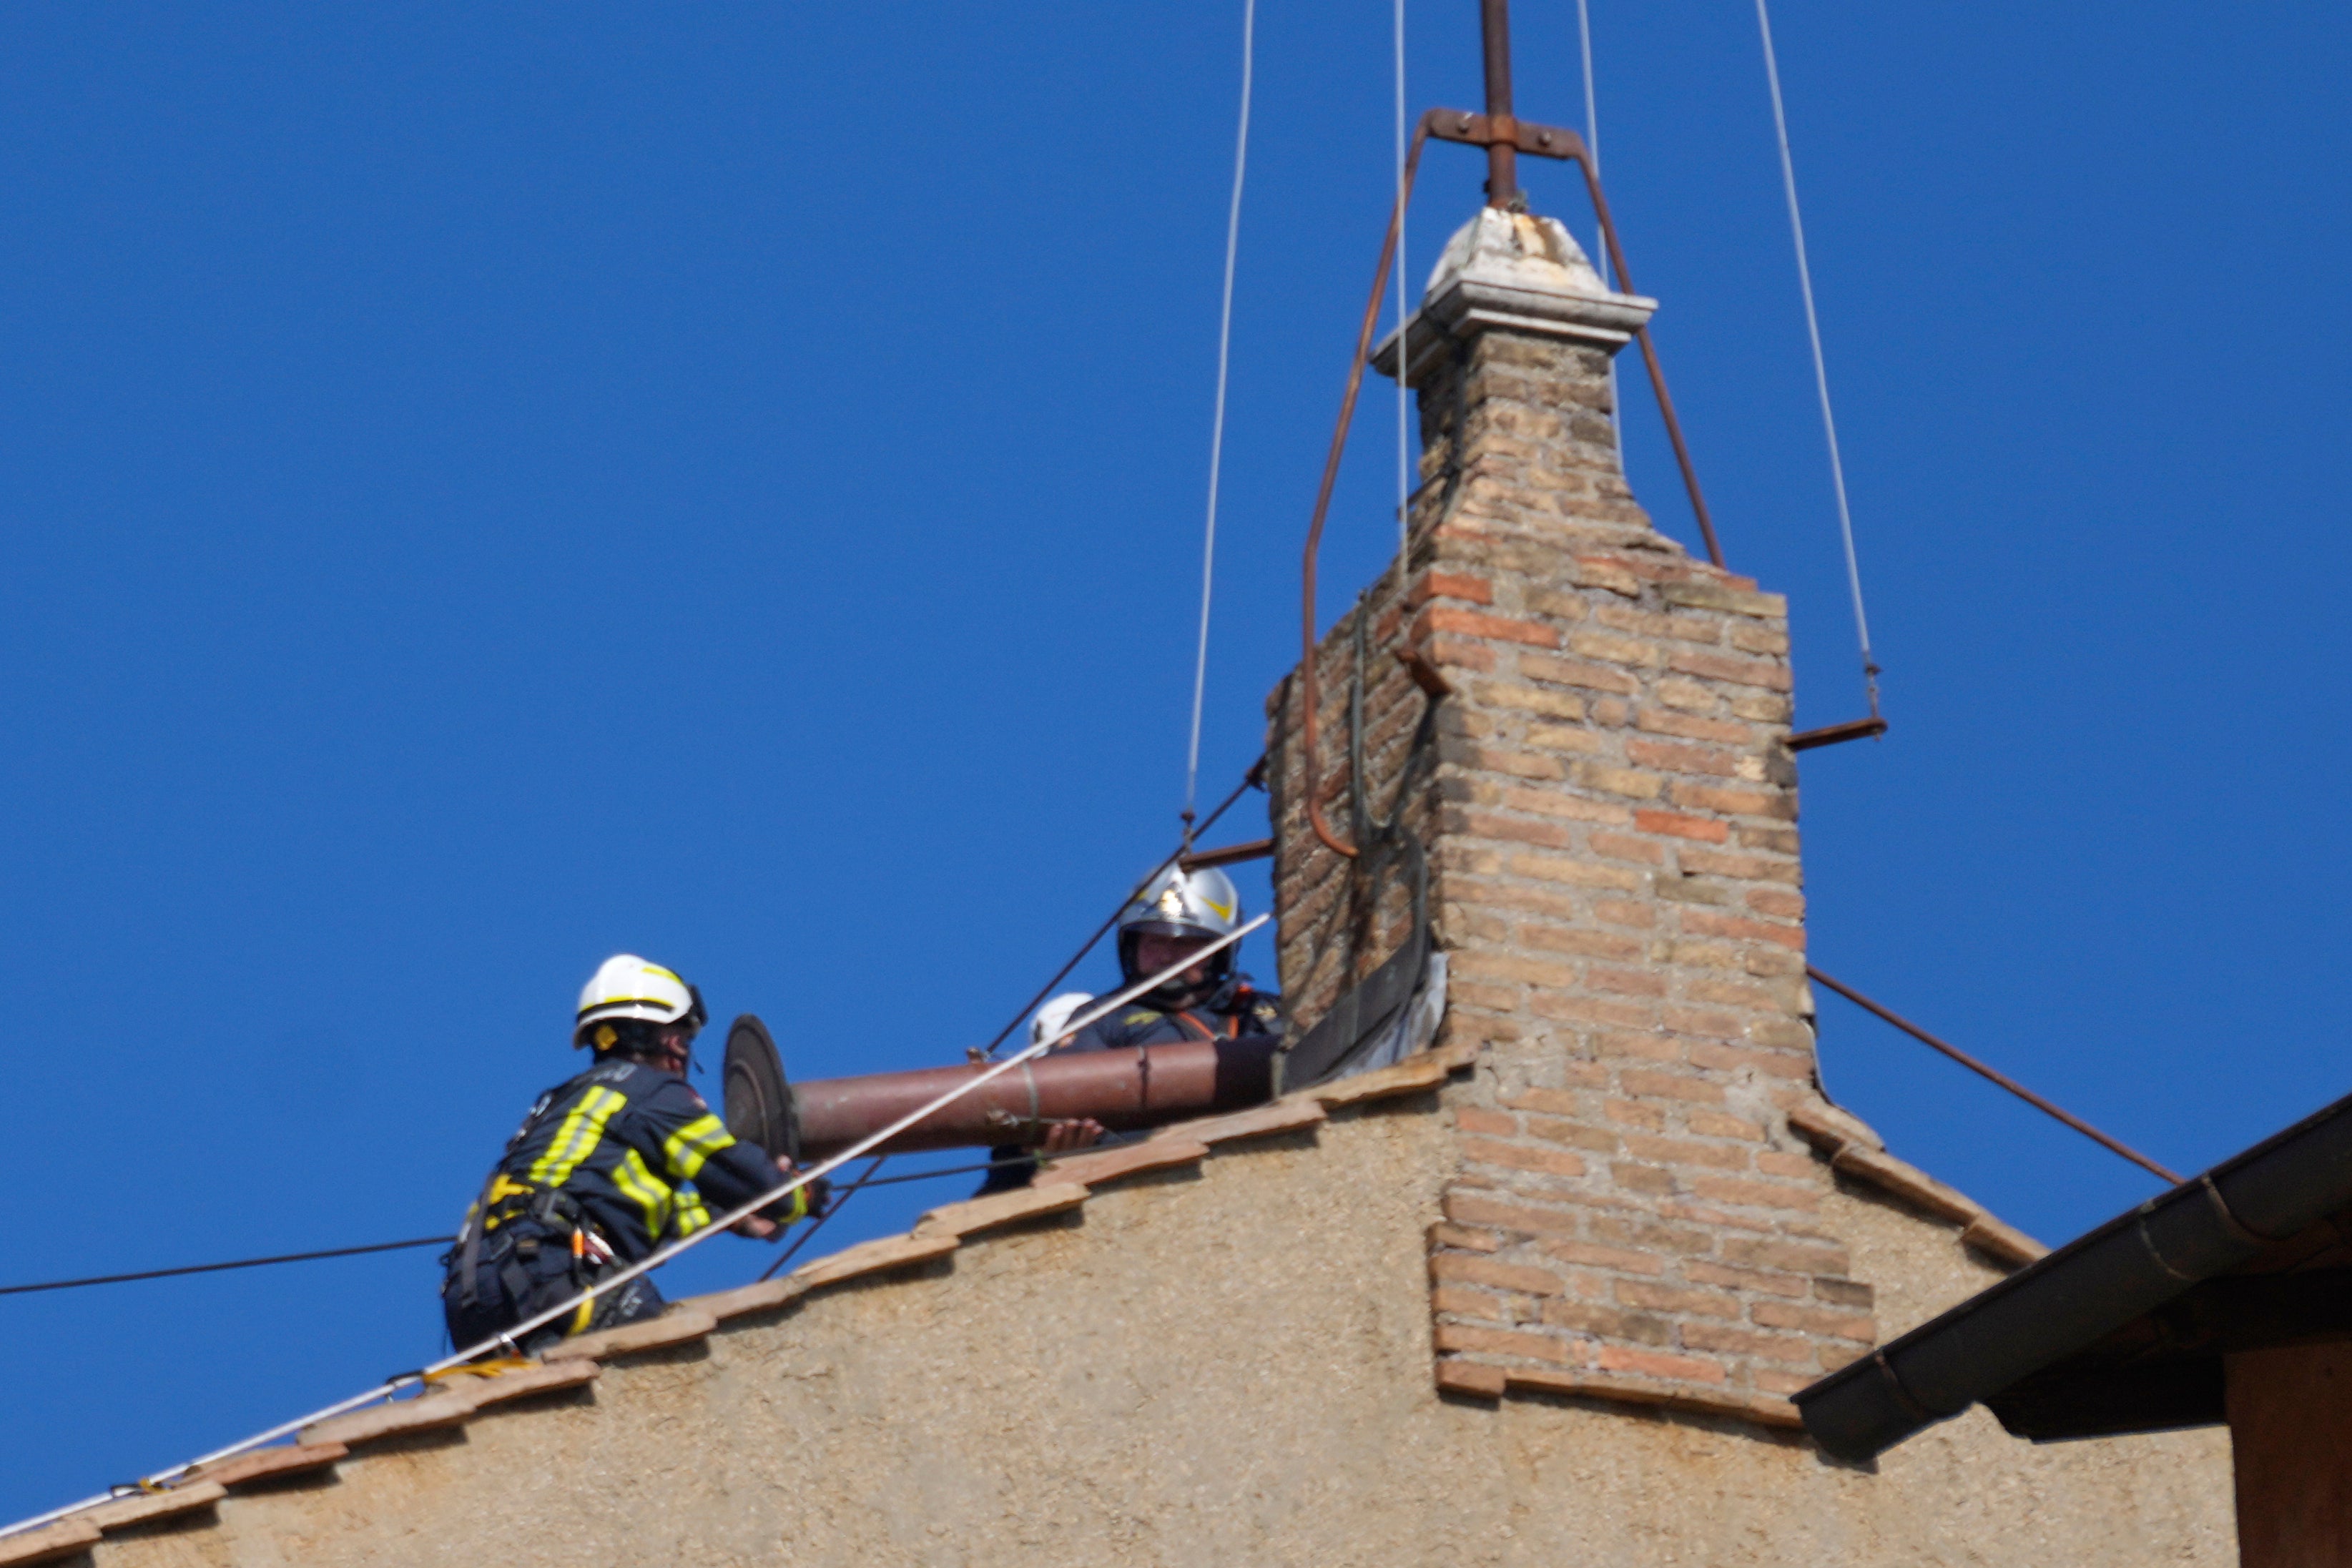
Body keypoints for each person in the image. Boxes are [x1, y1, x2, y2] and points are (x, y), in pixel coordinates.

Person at [443, 955, 819, 1354]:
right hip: (551, 1274)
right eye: (687, 1040)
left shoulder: (563, 1105)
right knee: (674, 1366)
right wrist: (800, 1195)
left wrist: (730, 1217)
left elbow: (631, 1203)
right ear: (673, 1041)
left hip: (473, 1297)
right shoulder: (651, 1091)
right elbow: (746, 1178)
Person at [975, 867, 1282, 1194]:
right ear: (1130, 946)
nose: (1165, 955)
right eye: (1152, 941)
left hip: (1266, 1172)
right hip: (1153, 1188)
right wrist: (1048, 1156)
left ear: (1219, 950)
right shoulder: (1102, 1020)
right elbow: (1048, 1103)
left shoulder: (1266, 1012)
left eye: (1184, 943)